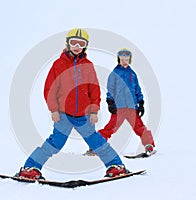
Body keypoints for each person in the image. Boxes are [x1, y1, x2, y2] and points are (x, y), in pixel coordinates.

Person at [16, 28, 129, 180]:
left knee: (96, 142)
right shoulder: (58, 64)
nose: (77, 46)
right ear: (67, 44)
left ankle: (115, 166)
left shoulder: (88, 65)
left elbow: (94, 89)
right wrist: (54, 110)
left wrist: (94, 110)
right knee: (55, 143)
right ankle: (31, 167)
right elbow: (50, 89)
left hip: (84, 115)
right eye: (73, 42)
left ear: (85, 46)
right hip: (63, 114)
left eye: (81, 43)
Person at [85, 48, 155, 156]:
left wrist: (141, 102)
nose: (124, 62)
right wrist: (110, 101)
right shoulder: (115, 73)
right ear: (119, 60)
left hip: (132, 106)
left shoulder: (132, 74)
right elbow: (110, 89)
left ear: (129, 60)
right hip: (119, 107)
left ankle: (149, 145)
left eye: (126, 59)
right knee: (111, 127)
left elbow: (137, 89)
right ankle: (95, 146)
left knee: (139, 127)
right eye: (122, 59)